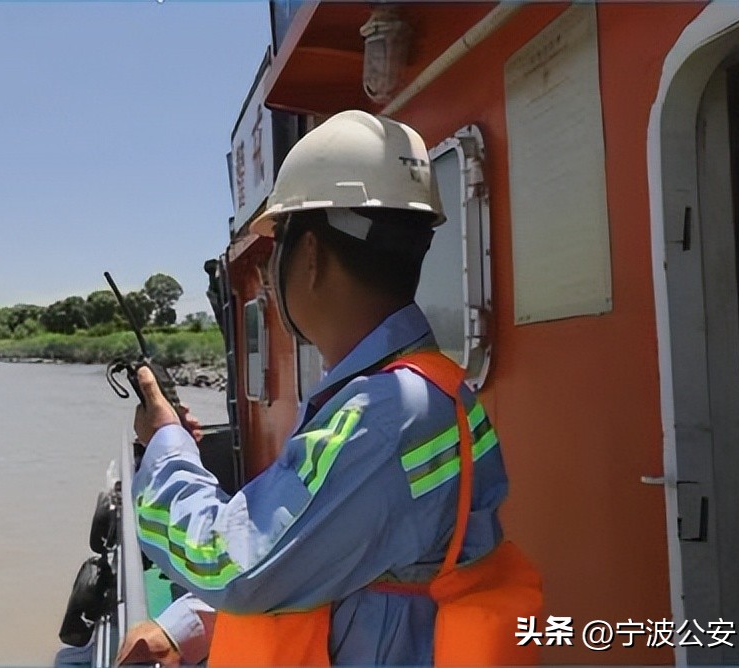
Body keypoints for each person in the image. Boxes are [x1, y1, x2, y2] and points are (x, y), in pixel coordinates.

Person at [118, 110, 510, 666]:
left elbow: (233, 567)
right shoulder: (418, 391)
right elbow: (339, 556)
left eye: (277, 245)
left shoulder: (384, 417)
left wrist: (165, 445)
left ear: (309, 257)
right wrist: (189, 622)